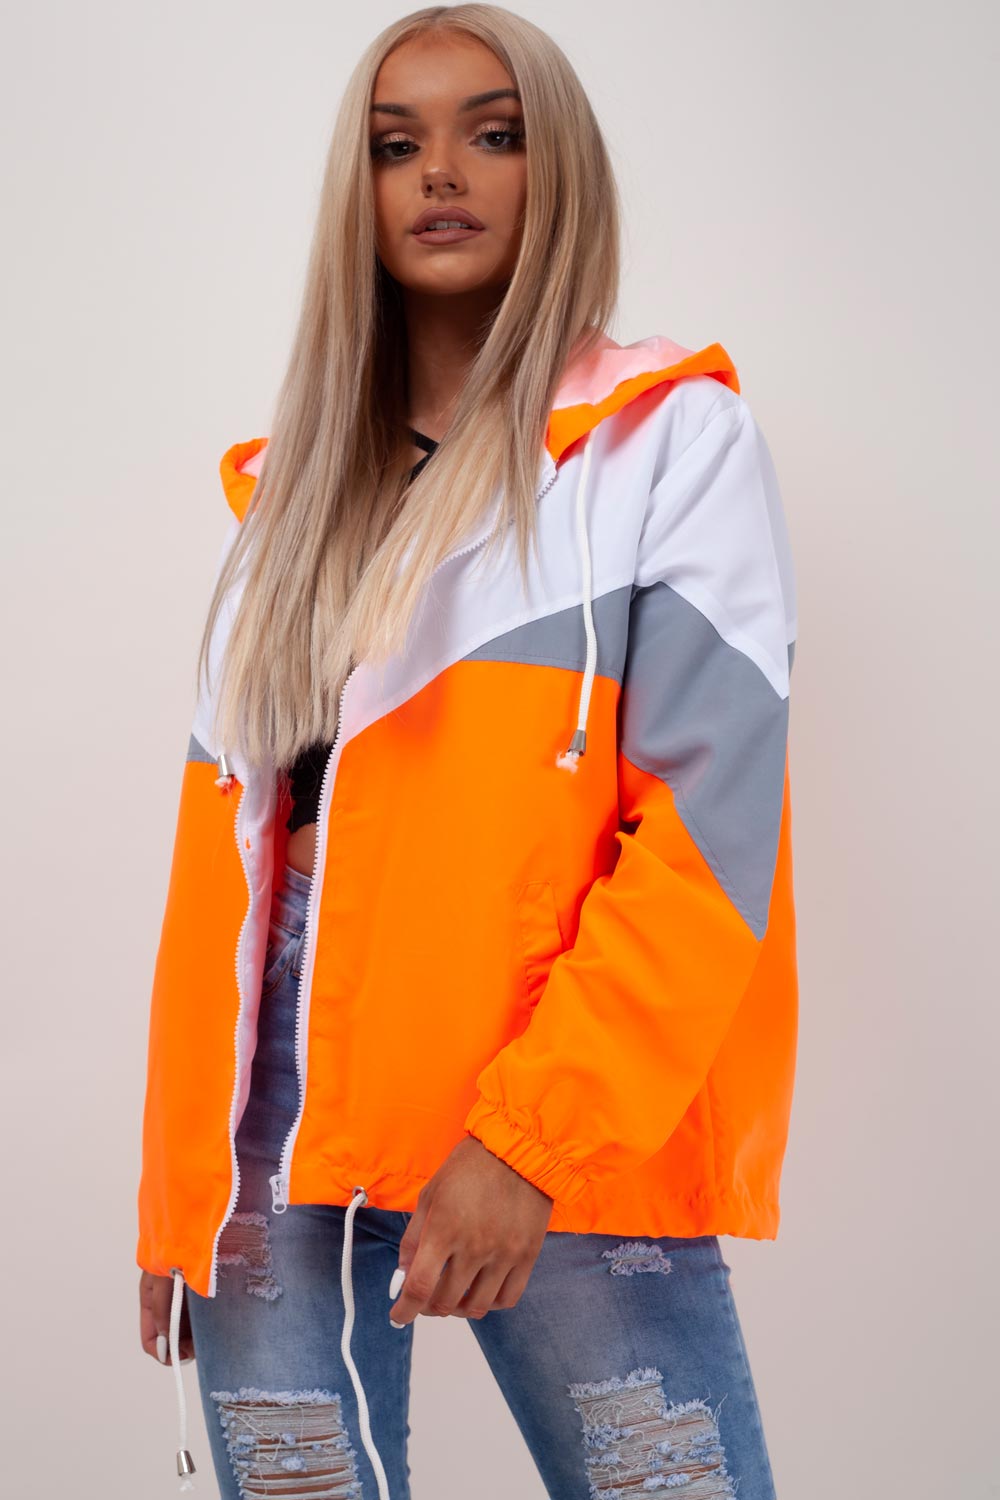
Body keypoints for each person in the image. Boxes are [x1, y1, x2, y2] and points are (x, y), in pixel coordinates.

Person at [135, 6, 799, 1497]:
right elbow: (225, 877)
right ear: (357, 191)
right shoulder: (289, 492)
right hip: (269, 1132)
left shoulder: (665, 443)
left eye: (493, 133)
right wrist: (181, 1187)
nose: (441, 172)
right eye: (397, 145)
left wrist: (530, 1140)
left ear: (557, 171)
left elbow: (710, 836)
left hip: (542, 1075)